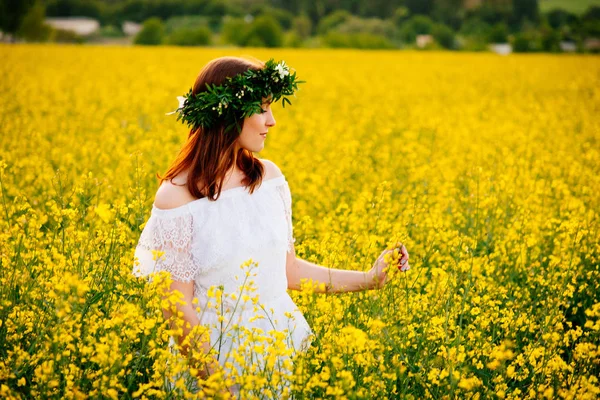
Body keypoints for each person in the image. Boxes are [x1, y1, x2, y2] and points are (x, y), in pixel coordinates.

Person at [131, 56, 410, 397]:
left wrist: (371, 278)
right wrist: (219, 388)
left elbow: (288, 271)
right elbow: (178, 308)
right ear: (229, 112)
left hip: (271, 354)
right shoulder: (176, 199)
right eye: (262, 109)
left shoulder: (269, 179)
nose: (272, 121)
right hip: (210, 364)